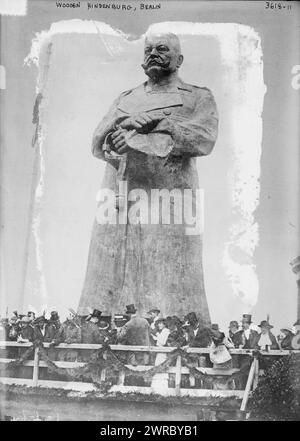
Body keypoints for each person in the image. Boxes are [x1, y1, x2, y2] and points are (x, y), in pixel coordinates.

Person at [78, 31, 218, 324]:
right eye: (148, 49)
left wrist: (163, 124)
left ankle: (177, 331)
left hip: (169, 197)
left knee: (169, 271)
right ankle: (101, 326)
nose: (153, 53)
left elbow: (204, 139)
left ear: (179, 59)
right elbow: (96, 143)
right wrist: (122, 123)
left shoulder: (198, 97)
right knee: (115, 270)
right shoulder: (125, 98)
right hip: (121, 195)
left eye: (162, 49)